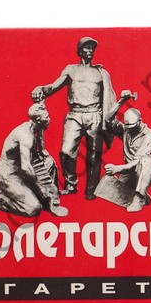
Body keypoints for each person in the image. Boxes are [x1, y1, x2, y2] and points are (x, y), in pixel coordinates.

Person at [31, 37, 128, 200]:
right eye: (87, 47)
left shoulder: (101, 73)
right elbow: (53, 87)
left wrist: (108, 119)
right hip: (75, 114)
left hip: (95, 114)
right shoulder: (71, 70)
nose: (90, 50)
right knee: (66, 151)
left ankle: (91, 189)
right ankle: (71, 184)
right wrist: (40, 88)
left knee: (94, 155)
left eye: (92, 48)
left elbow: (109, 98)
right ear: (80, 51)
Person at [0, 103, 68, 217]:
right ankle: (0, 197)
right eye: (47, 118)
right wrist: (41, 188)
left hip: (20, 169)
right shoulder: (26, 135)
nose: (49, 119)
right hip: (7, 173)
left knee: (50, 162)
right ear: (38, 120)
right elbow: (26, 168)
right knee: (33, 208)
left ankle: (48, 200)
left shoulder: (35, 127)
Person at [103, 95, 151, 213]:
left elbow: (138, 161)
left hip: (144, 172)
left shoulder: (148, 135)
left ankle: (139, 197)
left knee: (145, 161)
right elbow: (108, 120)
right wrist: (121, 101)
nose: (130, 129)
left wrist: (117, 168)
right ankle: (139, 193)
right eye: (128, 127)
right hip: (128, 173)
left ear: (140, 121)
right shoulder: (126, 130)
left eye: (132, 126)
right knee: (108, 190)